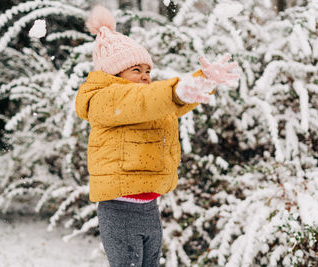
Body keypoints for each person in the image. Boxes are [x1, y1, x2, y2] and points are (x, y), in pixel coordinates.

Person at [75, 5, 239, 267]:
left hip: (149, 207)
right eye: (136, 70)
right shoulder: (105, 99)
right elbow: (145, 100)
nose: (145, 77)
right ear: (114, 73)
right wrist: (178, 91)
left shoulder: (142, 101)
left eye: (148, 71)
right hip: (120, 210)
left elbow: (164, 105)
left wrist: (200, 82)